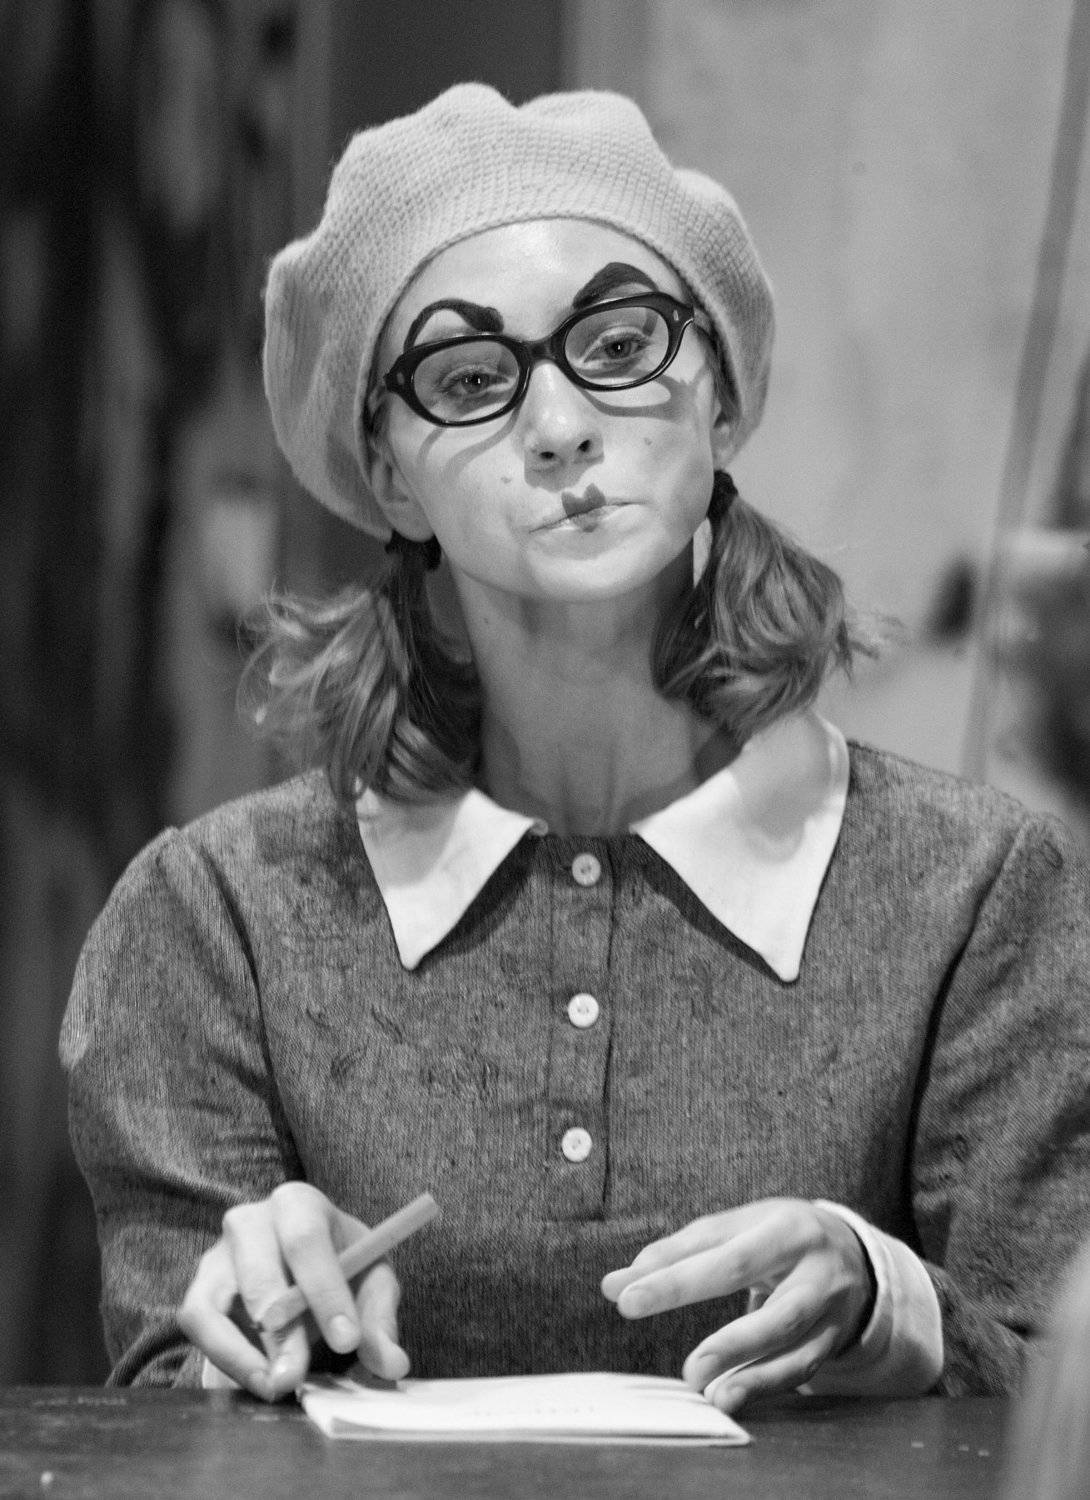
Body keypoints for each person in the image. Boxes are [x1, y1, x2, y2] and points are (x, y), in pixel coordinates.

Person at [61, 82, 1090, 1412]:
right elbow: (153, 1413)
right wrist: (234, 1339)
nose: (557, 427)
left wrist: (885, 1298)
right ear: (389, 475)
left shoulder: (978, 890)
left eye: (617, 341)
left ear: (719, 398)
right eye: (468, 379)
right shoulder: (217, 917)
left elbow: (1060, 1390)